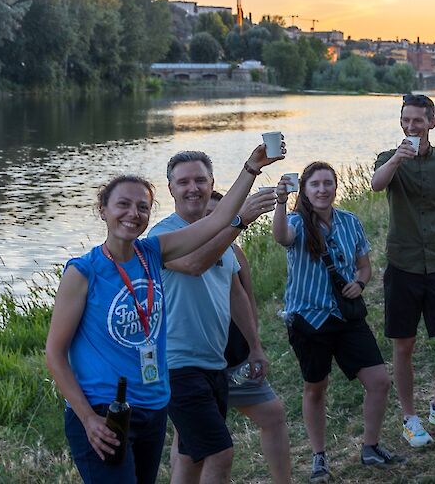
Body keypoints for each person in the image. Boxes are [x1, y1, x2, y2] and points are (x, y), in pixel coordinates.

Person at [44, 143, 281, 484]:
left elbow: (218, 220)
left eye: (142, 206)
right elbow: (54, 353)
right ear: (103, 210)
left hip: (151, 405)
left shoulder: (153, 253)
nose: (133, 213)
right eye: (122, 205)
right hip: (102, 410)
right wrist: (86, 418)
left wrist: (251, 168)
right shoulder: (83, 272)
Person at [147, 151, 290, 484]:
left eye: (200, 180)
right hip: (177, 365)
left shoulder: (219, 234)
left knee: (191, 455)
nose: (192, 188)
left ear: (212, 184)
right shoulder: (161, 237)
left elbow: (235, 292)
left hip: (214, 362)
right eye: (183, 182)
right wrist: (238, 221)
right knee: (219, 452)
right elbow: (195, 264)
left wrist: (254, 346)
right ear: (170, 189)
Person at [272, 162, 405, 482]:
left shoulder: (350, 221)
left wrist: (359, 284)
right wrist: (279, 202)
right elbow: (281, 237)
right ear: (304, 190)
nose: (322, 189)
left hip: (346, 316)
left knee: (379, 382)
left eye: (328, 183)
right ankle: (319, 457)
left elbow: (364, 266)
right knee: (315, 389)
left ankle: (370, 447)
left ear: (335, 186)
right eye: (315, 184)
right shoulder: (296, 223)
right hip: (308, 319)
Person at [371, 93, 435, 448]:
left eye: (418, 120)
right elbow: (376, 184)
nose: (411, 126)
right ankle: (410, 417)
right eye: (406, 120)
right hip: (403, 264)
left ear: (432, 122)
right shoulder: (389, 158)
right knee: (404, 346)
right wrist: (398, 159)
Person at [202, 190, 291, 484]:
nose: (215, 220)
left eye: (221, 214)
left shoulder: (235, 253)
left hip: (236, 358)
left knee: (273, 414)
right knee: (199, 445)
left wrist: (256, 347)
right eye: (208, 215)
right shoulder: (182, 252)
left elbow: (246, 299)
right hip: (198, 365)